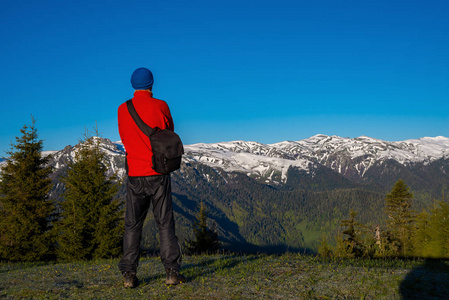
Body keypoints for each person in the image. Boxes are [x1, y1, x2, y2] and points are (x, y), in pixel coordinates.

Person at [117, 67, 185, 288]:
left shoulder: (122, 109)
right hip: (157, 172)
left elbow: (124, 137)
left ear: (132, 84)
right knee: (164, 222)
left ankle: (129, 274)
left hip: (135, 174)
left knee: (132, 225)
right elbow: (169, 131)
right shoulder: (161, 105)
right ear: (151, 84)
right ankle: (172, 272)